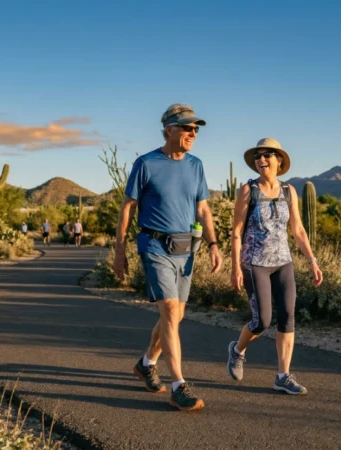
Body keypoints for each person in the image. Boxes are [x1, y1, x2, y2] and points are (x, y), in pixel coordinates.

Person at [114, 104, 222, 412]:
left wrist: (214, 244)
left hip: (186, 249)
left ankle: (147, 363)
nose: (192, 133)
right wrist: (120, 250)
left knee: (175, 317)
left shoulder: (196, 165)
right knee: (171, 313)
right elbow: (127, 207)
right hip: (155, 246)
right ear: (169, 129)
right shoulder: (146, 163)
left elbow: (203, 209)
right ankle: (178, 386)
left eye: (195, 129)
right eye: (187, 127)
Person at [226, 138, 323, 395]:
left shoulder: (289, 192)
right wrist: (235, 267)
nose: (261, 160)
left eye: (267, 155)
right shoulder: (249, 191)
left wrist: (312, 260)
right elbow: (236, 232)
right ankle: (237, 350)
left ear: (279, 160)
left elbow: (299, 230)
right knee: (262, 321)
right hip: (255, 263)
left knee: (288, 318)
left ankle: (282, 376)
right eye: (258, 156)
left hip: (283, 262)